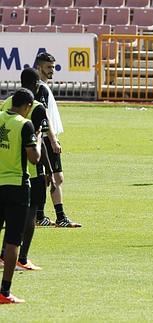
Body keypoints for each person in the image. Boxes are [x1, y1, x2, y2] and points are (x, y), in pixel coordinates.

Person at [0, 68, 54, 271]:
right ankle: (22, 258)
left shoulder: (7, 104)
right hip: (27, 174)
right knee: (30, 216)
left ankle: (3, 255)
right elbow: (40, 147)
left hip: (3, 171)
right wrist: (49, 172)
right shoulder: (37, 108)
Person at [0, 88, 42, 303]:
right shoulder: (24, 124)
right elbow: (34, 158)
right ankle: (4, 292)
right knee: (13, 241)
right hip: (16, 185)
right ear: (27, 106)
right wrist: (39, 140)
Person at [34, 52, 81, 227]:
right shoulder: (42, 88)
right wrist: (53, 140)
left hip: (45, 139)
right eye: (48, 67)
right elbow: (44, 117)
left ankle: (40, 216)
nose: (52, 70)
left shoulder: (41, 87)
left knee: (45, 178)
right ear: (39, 67)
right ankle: (60, 217)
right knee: (57, 177)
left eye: (53, 67)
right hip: (46, 139)